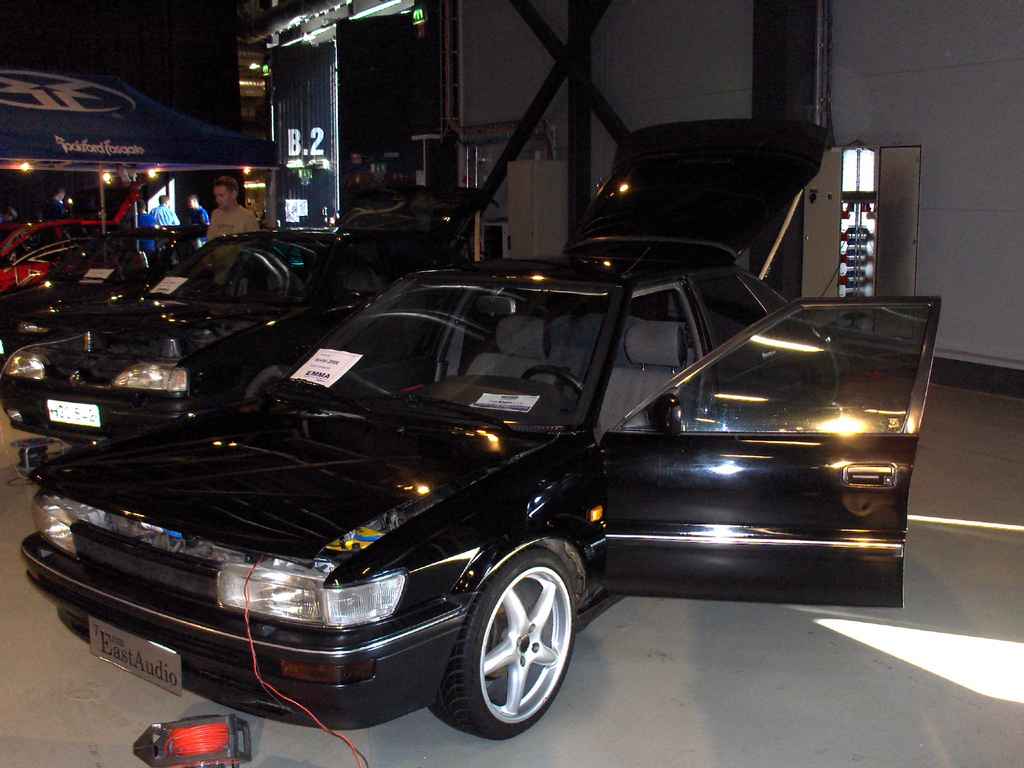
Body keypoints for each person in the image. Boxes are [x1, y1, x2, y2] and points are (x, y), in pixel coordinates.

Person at [207, 176, 259, 240]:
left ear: (234, 194)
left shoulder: (247, 216)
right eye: (216, 196)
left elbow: (253, 243)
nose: (217, 200)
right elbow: (210, 240)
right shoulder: (215, 214)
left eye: (221, 195)